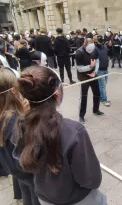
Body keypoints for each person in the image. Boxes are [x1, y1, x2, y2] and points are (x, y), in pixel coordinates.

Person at [13, 66, 106, 205]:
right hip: (77, 199)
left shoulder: (20, 124)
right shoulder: (74, 131)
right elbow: (91, 179)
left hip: (44, 197)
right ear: (57, 94)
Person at [0, 68, 40, 205]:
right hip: (25, 170)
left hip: (12, 168)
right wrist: (26, 117)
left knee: (25, 190)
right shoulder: (15, 120)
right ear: (13, 91)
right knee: (35, 194)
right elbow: (28, 149)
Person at [76, 37, 104, 123]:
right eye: (89, 49)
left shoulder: (94, 49)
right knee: (84, 96)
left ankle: (96, 109)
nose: (91, 51)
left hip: (93, 75)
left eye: (92, 49)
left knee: (97, 93)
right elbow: (79, 68)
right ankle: (81, 115)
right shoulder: (79, 52)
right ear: (84, 45)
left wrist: (95, 71)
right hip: (84, 76)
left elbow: (97, 61)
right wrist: (90, 67)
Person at [94, 35, 110, 107]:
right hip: (100, 70)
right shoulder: (95, 48)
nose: (100, 42)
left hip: (105, 69)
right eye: (99, 40)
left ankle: (101, 98)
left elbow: (110, 53)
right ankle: (105, 100)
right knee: (103, 86)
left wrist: (110, 46)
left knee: (103, 85)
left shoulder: (105, 47)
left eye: (101, 40)